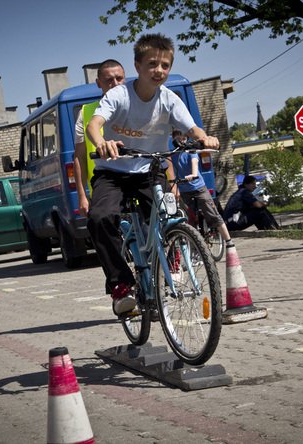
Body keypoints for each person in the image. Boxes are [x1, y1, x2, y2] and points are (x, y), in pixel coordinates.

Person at [86, 33, 220, 316]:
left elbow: (191, 127)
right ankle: (121, 285)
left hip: (150, 170)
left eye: (165, 65)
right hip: (113, 172)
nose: (159, 71)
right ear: (137, 66)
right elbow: (95, 124)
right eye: (152, 64)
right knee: (99, 219)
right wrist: (101, 143)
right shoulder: (119, 95)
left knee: (169, 217)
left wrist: (205, 137)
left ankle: (165, 267)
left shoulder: (169, 100)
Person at [73, 59, 126, 216]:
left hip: (141, 181)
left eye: (119, 78)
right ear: (98, 83)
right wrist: (82, 196)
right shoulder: (86, 112)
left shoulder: (139, 106)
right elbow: (79, 157)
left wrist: (171, 183)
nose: (115, 84)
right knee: (102, 225)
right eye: (109, 80)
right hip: (106, 190)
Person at [170, 130, 233, 249]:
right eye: (179, 138)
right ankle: (195, 250)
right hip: (184, 191)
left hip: (198, 187)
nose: (182, 140)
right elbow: (170, 168)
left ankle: (229, 243)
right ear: (174, 139)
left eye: (184, 137)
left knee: (212, 214)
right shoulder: (173, 154)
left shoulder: (191, 151)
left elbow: (194, 164)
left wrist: (193, 175)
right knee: (190, 220)